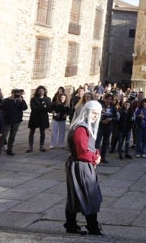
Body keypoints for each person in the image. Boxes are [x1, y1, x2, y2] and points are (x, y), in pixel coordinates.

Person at [64, 100, 104, 235]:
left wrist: (97, 154)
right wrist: (94, 158)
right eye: (93, 113)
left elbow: (91, 147)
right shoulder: (81, 128)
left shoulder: (84, 126)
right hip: (80, 165)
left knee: (76, 196)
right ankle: (92, 227)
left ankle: (71, 225)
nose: (95, 116)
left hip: (81, 165)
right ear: (86, 112)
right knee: (89, 195)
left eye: (97, 114)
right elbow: (82, 152)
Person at [0, 88, 27, 155]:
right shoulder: (6, 100)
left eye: (18, 94)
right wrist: (10, 100)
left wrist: (21, 101)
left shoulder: (21, 100)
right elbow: (2, 107)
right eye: (15, 94)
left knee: (12, 136)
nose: (17, 95)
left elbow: (25, 108)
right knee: (3, 136)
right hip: (7, 120)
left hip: (16, 121)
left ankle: (10, 149)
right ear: (12, 93)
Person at [28, 85, 52, 153]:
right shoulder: (33, 99)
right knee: (32, 132)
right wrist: (43, 106)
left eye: (42, 91)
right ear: (37, 91)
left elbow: (49, 108)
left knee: (42, 132)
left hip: (43, 117)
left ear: (44, 91)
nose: (41, 92)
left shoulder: (47, 99)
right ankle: (30, 147)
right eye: (39, 91)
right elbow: (33, 108)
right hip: (34, 117)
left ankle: (42, 146)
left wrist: (41, 107)